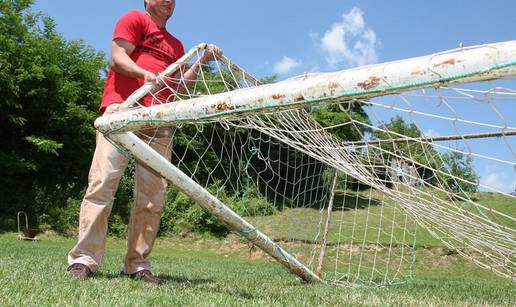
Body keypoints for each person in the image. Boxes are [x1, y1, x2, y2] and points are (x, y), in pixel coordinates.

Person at [67, 0, 221, 284]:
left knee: (152, 198)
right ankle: (83, 260)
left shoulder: (176, 44)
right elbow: (118, 57)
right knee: (102, 184)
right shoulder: (135, 18)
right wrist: (144, 74)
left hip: (158, 122)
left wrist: (201, 62)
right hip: (123, 111)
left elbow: (178, 86)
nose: (169, 1)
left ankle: (137, 264)